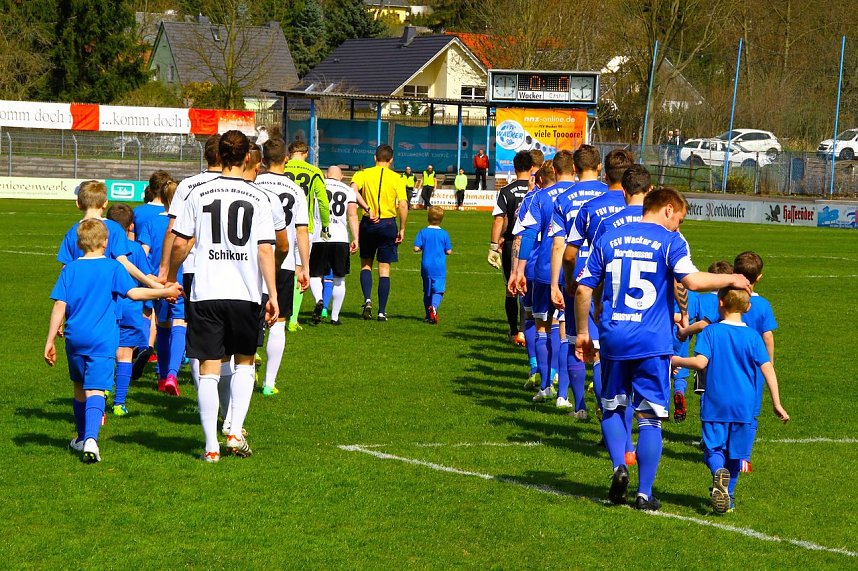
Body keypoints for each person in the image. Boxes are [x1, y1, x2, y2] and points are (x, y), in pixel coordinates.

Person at [575, 186, 751, 511]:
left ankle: (618, 466)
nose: (679, 227)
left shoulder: (610, 236)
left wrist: (585, 331)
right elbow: (693, 282)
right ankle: (644, 493)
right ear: (668, 210)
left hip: (614, 337)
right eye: (679, 219)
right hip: (653, 341)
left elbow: (584, 289)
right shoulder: (669, 242)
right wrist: (732, 280)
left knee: (613, 407)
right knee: (650, 418)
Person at [168, 129, 279, 462]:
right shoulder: (259, 197)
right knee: (245, 361)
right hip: (245, 292)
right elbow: (264, 249)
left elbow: (180, 242)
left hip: (206, 291)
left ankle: (210, 446)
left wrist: (169, 276)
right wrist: (272, 293)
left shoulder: (197, 192)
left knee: (208, 367)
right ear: (247, 157)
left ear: (220, 154)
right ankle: (233, 431)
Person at [45, 219, 180, 462]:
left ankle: (79, 437)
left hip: (75, 337)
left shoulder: (70, 269)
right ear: (106, 242)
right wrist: (164, 292)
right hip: (103, 338)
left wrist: (50, 339)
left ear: (79, 243)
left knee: (79, 386)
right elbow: (134, 293)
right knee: (96, 388)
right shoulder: (113, 267)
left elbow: (59, 304)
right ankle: (91, 440)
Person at [671, 288, 789, 513]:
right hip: (744, 405)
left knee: (714, 448)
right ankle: (729, 498)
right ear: (748, 308)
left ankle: (717, 473)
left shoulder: (711, 332)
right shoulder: (754, 337)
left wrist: (675, 360)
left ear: (721, 303)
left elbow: (700, 363)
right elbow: (768, 370)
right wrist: (776, 402)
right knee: (736, 455)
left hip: (716, 402)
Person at [550, 148, 634, 417]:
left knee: (580, 343)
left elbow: (564, 249)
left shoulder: (571, 200)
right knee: (610, 353)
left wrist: (569, 281)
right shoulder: (637, 206)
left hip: (587, 278)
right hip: (626, 281)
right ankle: (615, 414)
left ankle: (581, 407)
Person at [156, 134, 223, 388]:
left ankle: (203, 393)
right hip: (231, 270)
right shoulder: (241, 185)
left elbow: (173, 230)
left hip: (194, 268)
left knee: (197, 333)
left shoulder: (189, 185)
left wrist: (166, 271)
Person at [255, 137, 310, 396]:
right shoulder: (296, 190)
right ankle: (269, 383)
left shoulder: (253, 183)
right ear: (286, 159)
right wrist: (304, 266)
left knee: (251, 313)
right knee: (279, 321)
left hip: (253, 258)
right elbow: (301, 231)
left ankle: (247, 358)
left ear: (263, 160)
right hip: (284, 261)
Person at [138, 180, 187, 397]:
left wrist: (150, 279)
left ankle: (160, 375)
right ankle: (172, 375)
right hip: (182, 280)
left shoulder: (151, 223)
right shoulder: (187, 223)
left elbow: (143, 251)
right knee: (180, 324)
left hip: (158, 281)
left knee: (163, 326)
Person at [351, 144, 408, 322]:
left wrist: (367, 207)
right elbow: (403, 204)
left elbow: (352, 190)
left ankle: (367, 299)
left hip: (369, 222)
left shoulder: (363, 174)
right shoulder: (397, 178)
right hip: (388, 223)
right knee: (384, 269)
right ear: (391, 160)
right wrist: (403, 227)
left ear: (374, 158)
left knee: (366, 264)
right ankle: (382, 312)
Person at [105, 203, 152, 416]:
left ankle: (102, 389)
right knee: (125, 355)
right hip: (132, 307)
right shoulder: (135, 250)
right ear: (131, 226)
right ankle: (119, 403)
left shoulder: (101, 249)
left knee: (105, 353)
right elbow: (146, 277)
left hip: (107, 306)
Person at [283, 140, 330, 332]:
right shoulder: (314, 172)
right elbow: (323, 201)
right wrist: (325, 225)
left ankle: (269, 312)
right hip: (304, 226)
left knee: (274, 268)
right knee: (300, 270)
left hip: (279, 226)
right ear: (306, 153)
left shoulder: (281, 168)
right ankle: (292, 319)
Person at [488, 150, 533, 345]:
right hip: (531, 243)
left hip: (510, 244)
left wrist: (493, 245)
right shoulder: (536, 190)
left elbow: (500, 219)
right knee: (526, 287)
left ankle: (513, 330)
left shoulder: (506, 191)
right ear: (531, 168)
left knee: (510, 289)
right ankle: (524, 331)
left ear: (514, 168)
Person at [309, 166, 360, 326]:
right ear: (342, 176)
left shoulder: (318, 185)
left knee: (314, 275)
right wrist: (356, 238)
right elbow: (352, 214)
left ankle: (319, 300)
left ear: (325, 175)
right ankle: (335, 317)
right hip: (340, 238)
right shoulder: (347, 190)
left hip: (319, 236)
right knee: (339, 278)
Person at [414, 206, 452, 324]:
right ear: (441, 219)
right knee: (438, 290)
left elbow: (416, 248)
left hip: (426, 266)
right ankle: (434, 307)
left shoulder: (423, 232)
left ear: (428, 218)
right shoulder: (444, 234)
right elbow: (449, 251)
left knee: (427, 291)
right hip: (439, 267)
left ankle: (428, 315)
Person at [133, 170, 171, 239]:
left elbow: (131, 241)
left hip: (142, 249)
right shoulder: (174, 213)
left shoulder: (137, 211)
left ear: (150, 188)